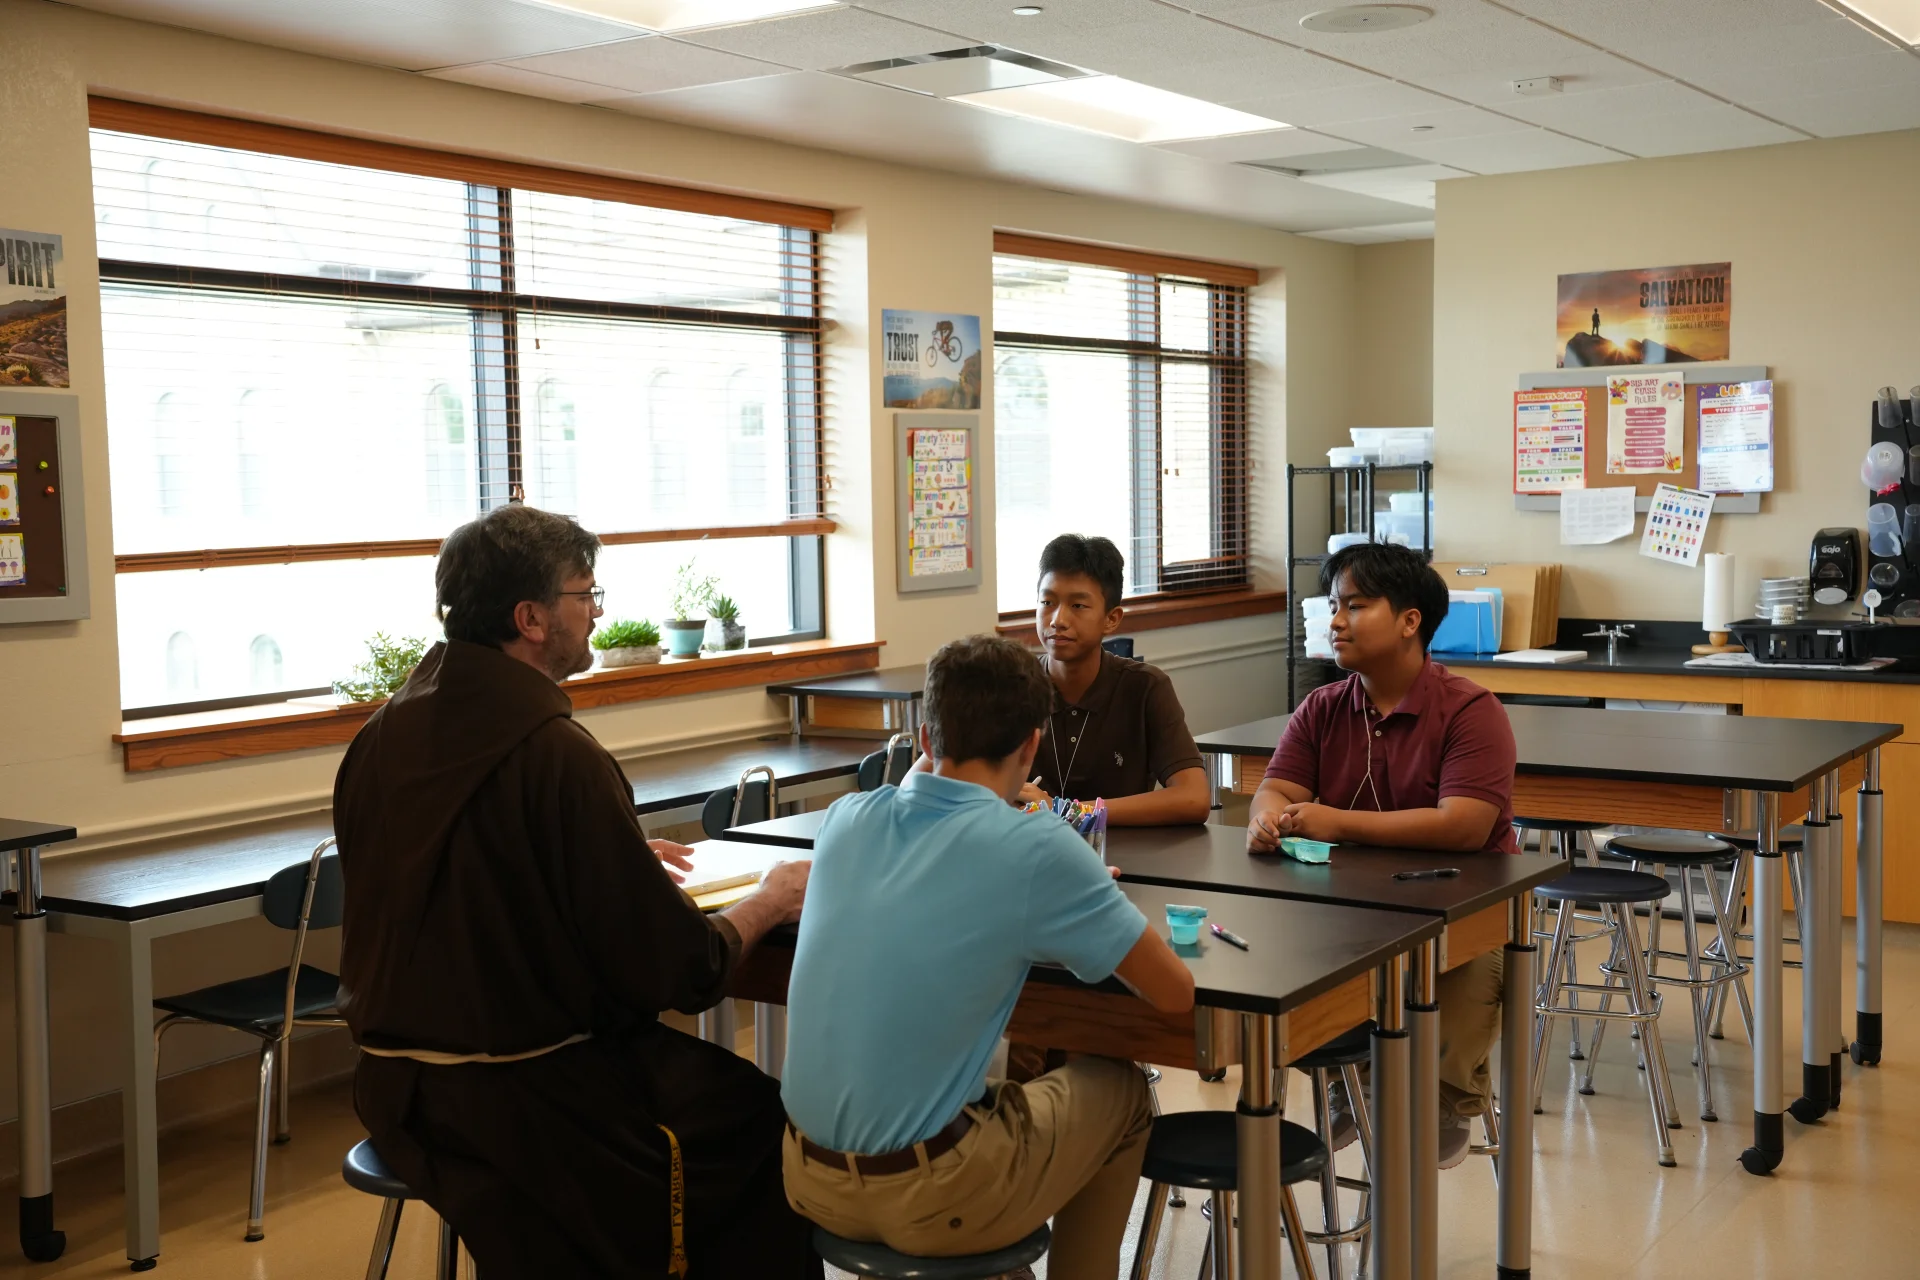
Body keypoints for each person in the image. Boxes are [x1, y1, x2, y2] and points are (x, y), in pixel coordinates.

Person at [334, 504, 820, 1278]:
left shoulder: (381, 735)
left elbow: (462, 886)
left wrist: (607, 860)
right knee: (763, 1122)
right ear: (531, 617)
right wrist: (771, 898)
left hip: (399, 1093)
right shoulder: (556, 754)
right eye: (586, 596)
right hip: (531, 1101)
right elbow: (678, 972)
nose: (597, 614)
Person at [781, 635, 1195, 1280]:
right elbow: (1173, 994)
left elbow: (924, 794)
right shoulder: (1037, 847)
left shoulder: (844, 818)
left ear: (923, 737)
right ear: (1032, 745)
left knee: (992, 1091)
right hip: (931, 1197)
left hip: (807, 1177)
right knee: (1120, 1091)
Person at [1246, 542, 1516, 1168]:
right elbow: (1276, 789)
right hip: (1351, 907)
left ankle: (1448, 1097)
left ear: (1409, 620)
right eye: (1334, 606)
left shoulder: (1471, 711)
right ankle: (1351, 1082)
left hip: (1462, 905)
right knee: (1295, 962)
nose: (1335, 621)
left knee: (1470, 972)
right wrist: (1266, 821)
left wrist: (1338, 821)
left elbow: (1466, 826)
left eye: (1355, 606)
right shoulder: (1323, 706)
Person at [1019, 534, 1211, 827]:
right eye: (1048, 602)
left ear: (1112, 618)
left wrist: (1067, 811)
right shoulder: (1010, 686)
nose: (1058, 619)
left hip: (1127, 861)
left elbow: (1193, 798)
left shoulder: (1145, 687)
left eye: (1078, 606)